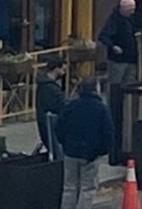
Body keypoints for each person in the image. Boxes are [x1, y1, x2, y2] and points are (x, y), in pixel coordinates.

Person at [57, 77, 114, 209]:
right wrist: (101, 151)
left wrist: (65, 144)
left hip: (70, 152)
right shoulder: (101, 109)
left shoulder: (71, 106)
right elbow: (108, 133)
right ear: (96, 90)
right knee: (87, 189)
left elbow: (59, 127)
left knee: (69, 187)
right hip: (91, 154)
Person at [99, 0, 139, 86]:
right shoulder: (113, 20)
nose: (133, 12)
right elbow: (103, 36)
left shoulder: (131, 18)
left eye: (133, 9)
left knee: (130, 85)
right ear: (123, 8)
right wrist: (113, 46)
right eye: (130, 10)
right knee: (115, 85)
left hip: (131, 59)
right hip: (117, 61)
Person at [36, 58, 67, 158]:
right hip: (51, 126)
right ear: (56, 69)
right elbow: (58, 106)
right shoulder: (50, 88)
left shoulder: (45, 86)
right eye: (63, 70)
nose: (63, 73)